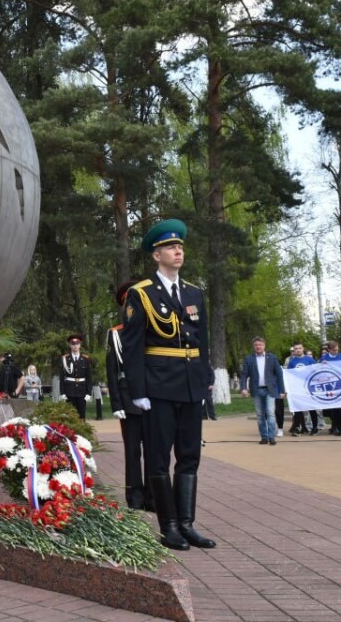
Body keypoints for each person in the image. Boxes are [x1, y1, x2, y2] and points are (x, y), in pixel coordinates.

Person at [121, 218, 216, 552]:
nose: (179, 251)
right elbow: (132, 348)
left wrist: (206, 380)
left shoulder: (194, 293)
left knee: (189, 455)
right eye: (171, 248)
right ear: (156, 254)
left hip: (190, 386)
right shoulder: (141, 294)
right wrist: (138, 392)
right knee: (159, 458)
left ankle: (187, 524)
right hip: (159, 387)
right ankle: (169, 526)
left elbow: (201, 340)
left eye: (181, 247)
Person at [107, 280, 154, 511]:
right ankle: (135, 496)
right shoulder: (116, 334)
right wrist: (116, 402)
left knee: (155, 449)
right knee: (133, 450)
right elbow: (112, 369)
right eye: (128, 302)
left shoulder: (154, 328)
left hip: (154, 394)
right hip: (128, 397)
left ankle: (154, 496)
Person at [239, 337, 284, 445]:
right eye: (256, 345)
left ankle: (271, 437)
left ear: (264, 346)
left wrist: (282, 390)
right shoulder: (249, 358)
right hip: (257, 390)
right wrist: (243, 388)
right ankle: (264, 437)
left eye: (260, 345)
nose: (258, 347)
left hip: (270, 390)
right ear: (253, 346)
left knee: (270, 412)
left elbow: (279, 374)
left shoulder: (272, 358)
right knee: (260, 414)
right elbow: (244, 374)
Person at [285, 344, 319, 436]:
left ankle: (315, 427)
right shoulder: (292, 362)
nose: (298, 350)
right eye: (296, 349)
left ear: (303, 349)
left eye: (299, 348)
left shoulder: (309, 359)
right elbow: (289, 374)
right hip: (297, 387)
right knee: (298, 409)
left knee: (311, 408)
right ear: (294, 350)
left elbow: (316, 370)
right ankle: (299, 427)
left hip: (308, 387)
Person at [319, 341, 341, 436]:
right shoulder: (324, 358)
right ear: (329, 350)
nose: (336, 351)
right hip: (330, 388)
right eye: (334, 350)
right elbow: (318, 371)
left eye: (337, 349)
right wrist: (322, 365)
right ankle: (337, 427)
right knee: (333, 409)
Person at [59, 334, 93, 420]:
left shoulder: (85, 359)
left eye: (77, 343)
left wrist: (88, 393)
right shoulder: (65, 359)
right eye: (73, 343)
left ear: (80, 344)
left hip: (82, 391)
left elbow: (89, 377)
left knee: (81, 416)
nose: (75, 345)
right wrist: (62, 393)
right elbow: (62, 377)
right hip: (69, 391)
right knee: (70, 416)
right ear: (70, 345)